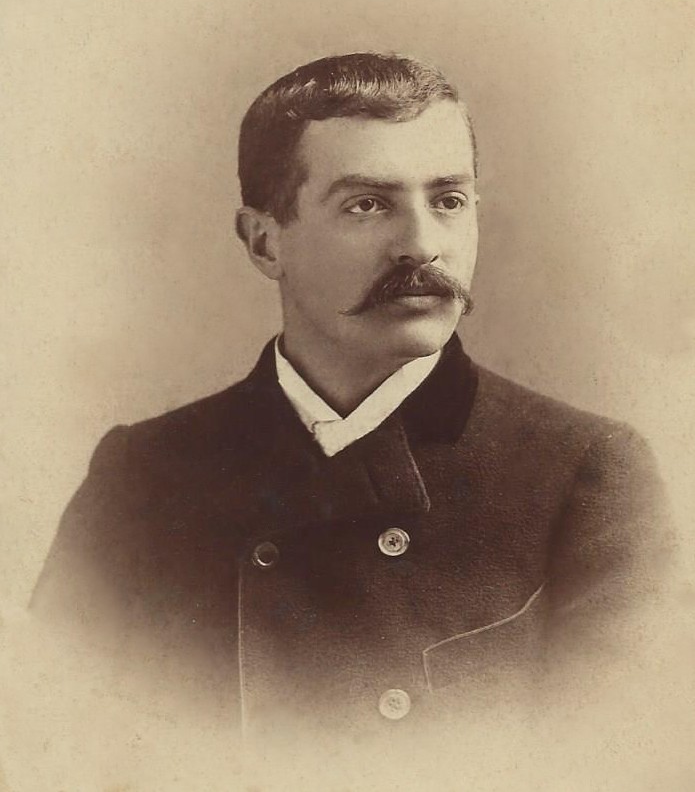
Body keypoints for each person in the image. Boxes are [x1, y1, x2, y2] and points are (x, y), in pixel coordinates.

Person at [30, 53, 673, 742]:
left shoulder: (585, 473)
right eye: (367, 205)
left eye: (448, 201)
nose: (421, 246)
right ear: (264, 243)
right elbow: (53, 744)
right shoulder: (143, 475)